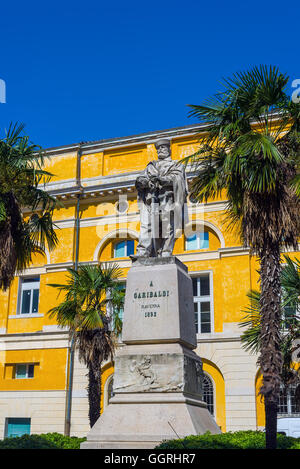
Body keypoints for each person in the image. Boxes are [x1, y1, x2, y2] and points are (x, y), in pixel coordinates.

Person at [133, 138, 188, 258]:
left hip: (167, 199)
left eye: (163, 148)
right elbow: (140, 180)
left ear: (169, 149)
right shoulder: (151, 166)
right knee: (146, 226)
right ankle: (143, 252)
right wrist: (145, 182)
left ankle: (166, 251)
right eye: (158, 149)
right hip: (150, 201)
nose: (160, 150)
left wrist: (162, 180)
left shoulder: (176, 164)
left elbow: (177, 178)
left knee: (167, 227)